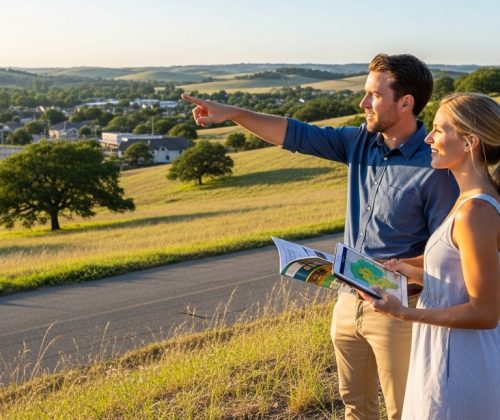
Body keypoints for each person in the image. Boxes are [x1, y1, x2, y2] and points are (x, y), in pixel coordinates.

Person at [182, 53, 459, 420]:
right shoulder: (359, 142)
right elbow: (295, 133)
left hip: (399, 311)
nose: (363, 103)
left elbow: (448, 254)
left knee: (404, 411)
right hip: (346, 302)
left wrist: (392, 270)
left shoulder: (435, 167)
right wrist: (232, 113)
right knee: (355, 407)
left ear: (405, 102)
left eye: (373, 95)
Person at [359, 92, 500, 420]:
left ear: (469, 143)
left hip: (459, 369)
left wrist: (403, 314)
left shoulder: (475, 212)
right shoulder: (468, 201)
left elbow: (486, 312)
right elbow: (459, 273)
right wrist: (405, 268)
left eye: (439, 129)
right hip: (445, 358)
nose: (428, 138)